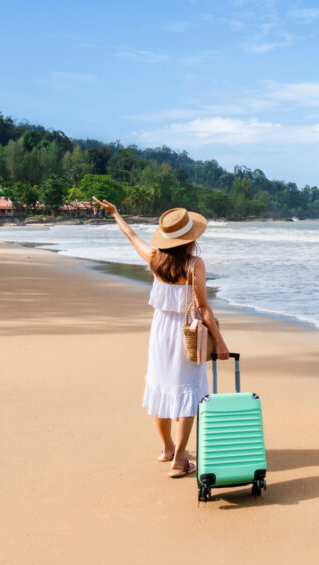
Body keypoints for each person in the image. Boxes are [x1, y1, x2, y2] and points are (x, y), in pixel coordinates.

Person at [94, 198, 230, 478]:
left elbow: (131, 235)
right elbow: (204, 308)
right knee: (188, 392)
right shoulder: (195, 265)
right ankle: (179, 460)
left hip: (160, 332)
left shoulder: (155, 259)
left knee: (163, 386)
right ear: (191, 239)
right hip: (186, 333)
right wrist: (221, 341)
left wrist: (115, 213)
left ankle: (167, 448)